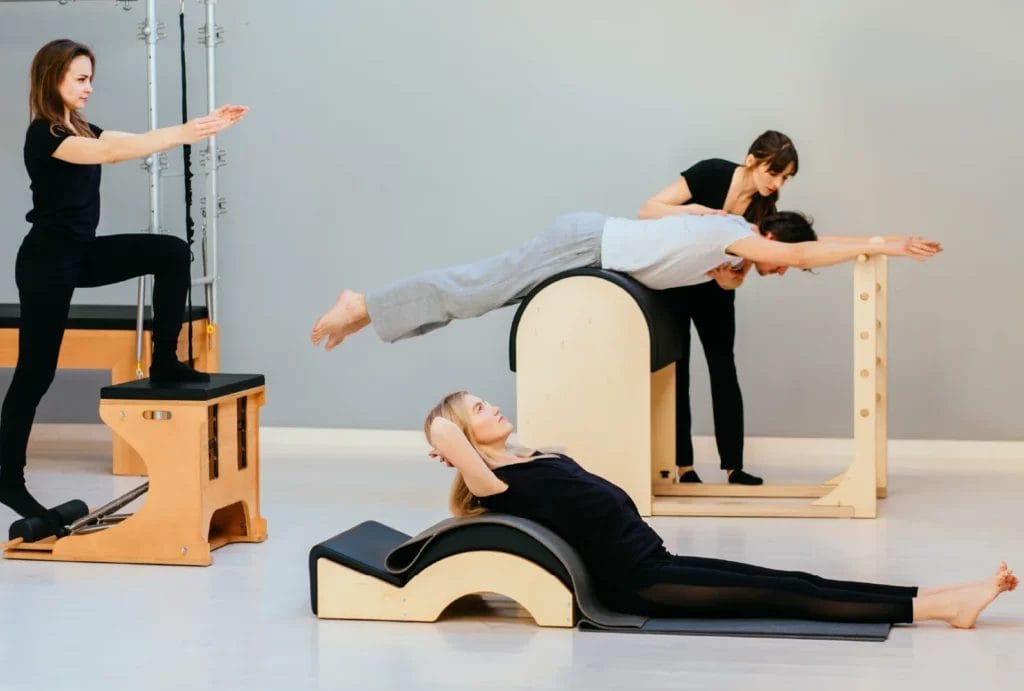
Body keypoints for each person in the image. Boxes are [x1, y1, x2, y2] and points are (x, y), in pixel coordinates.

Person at [422, 390, 1017, 627]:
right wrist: (445, 437)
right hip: (642, 585)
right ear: (463, 440)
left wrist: (459, 433)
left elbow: (467, 440)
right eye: (477, 411)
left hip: (658, 561)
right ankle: (941, 608)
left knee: (794, 579)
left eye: (485, 400)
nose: (492, 408)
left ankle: (937, 600)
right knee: (790, 596)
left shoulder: (530, 457)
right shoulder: (496, 480)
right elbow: (450, 442)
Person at [0, 39, 248, 529]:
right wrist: (186, 131)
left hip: (82, 255)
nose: (90, 87)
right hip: (47, 262)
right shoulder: (44, 135)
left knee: (171, 251)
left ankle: (165, 358)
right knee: (36, 373)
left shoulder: (79, 126)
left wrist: (202, 127)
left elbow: (126, 139)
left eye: (91, 77)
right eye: (80, 79)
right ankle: (9, 478)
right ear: (53, 79)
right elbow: (114, 152)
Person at [310, 209, 940, 350]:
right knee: (479, 289)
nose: (777, 272)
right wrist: (884, 243)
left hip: (594, 250)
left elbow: (711, 269)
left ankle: (369, 313)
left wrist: (728, 281)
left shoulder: (731, 246)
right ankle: (362, 301)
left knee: (479, 300)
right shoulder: (735, 233)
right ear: (773, 239)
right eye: (780, 263)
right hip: (585, 244)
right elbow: (806, 256)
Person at [638, 130, 799, 485]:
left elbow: (745, 265)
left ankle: (733, 466)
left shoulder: (764, 208)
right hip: (675, 284)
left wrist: (734, 281)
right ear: (752, 160)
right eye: (773, 173)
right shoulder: (710, 173)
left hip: (714, 290)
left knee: (724, 368)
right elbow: (647, 210)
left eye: (785, 178)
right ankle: (683, 467)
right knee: (677, 370)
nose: (777, 184)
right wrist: (694, 211)